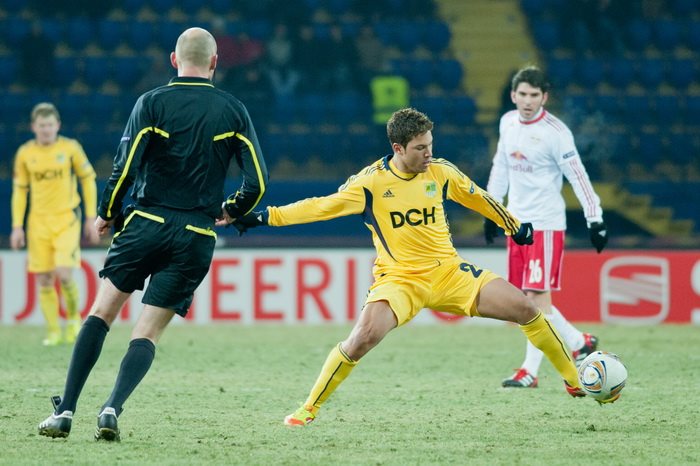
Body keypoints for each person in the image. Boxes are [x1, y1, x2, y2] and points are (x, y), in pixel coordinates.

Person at [223, 107, 589, 427]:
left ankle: (574, 380)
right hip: (399, 280)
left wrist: (513, 225)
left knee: (525, 308)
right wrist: (264, 217)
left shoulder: (440, 172)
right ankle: (308, 409)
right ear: (398, 148)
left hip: (449, 273)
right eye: (420, 148)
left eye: (430, 144)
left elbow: (477, 197)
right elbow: (320, 207)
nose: (429, 154)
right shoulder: (370, 184)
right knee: (362, 339)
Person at [38, 27, 268, 441]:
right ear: (215, 62)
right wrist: (231, 210)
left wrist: (106, 213)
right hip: (196, 233)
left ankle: (66, 411)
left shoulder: (152, 103)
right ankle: (112, 407)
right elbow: (258, 183)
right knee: (147, 332)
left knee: (102, 313)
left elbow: (124, 166)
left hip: (146, 224)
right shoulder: (233, 110)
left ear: (174, 60)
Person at [484, 65, 607, 389]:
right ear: (513, 95)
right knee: (525, 300)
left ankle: (530, 371)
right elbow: (501, 166)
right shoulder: (508, 122)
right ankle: (578, 341)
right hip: (516, 225)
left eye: (534, 95)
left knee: (537, 298)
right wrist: (491, 210)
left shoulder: (556, 132)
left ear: (544, 97)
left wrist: (594, 217)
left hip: (545, 225)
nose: (528, 100)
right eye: (523, 94)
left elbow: (577, 175)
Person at [11, 102, 99, 346]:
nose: (46, 130)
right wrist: (17, 226)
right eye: (42, 126)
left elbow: (88, 180)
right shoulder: (25, 154)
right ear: (33, 127)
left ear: (57, 125)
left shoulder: (70, 148)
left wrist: (90, 217)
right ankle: (53, 332)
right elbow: (20, 191)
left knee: (64, 274)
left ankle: (73, 320)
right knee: (44, 279)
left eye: (50, 125)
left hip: (66, 219)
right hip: (37, 222)